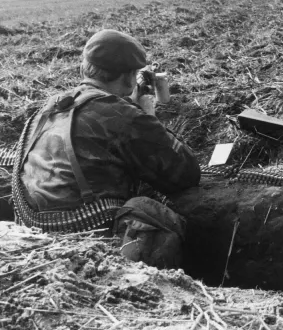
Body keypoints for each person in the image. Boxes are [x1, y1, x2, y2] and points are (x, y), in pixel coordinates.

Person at [12, 29, 200, 266]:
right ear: (129, 78)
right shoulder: (123, 116)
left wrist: (129, 108)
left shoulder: (52, 106)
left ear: (85, 68)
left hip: (31, 234)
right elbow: (185, 173)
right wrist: (145, 115)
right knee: (148, 211)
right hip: (87, 241)